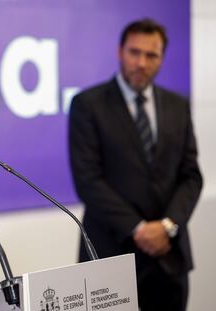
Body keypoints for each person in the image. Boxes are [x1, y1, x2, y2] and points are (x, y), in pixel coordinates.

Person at [68, 18, 202, 311]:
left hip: (169, 258)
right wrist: (140, 229)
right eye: (134, 52)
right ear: (120, 51)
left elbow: (191, 176)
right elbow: (88, 181)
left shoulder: (178, 106)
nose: (141, 63)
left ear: (162, 58)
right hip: (109, 256)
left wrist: (167, 226)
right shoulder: (88, 105)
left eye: (151, 55)